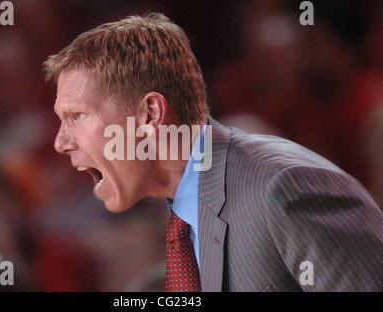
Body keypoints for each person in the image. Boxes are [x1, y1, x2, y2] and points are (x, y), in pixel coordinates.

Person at [44, 13, 382, 291]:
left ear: (149, 115)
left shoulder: (285, 188)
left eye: (78, 116)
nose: (61, 141)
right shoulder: (183, 223)